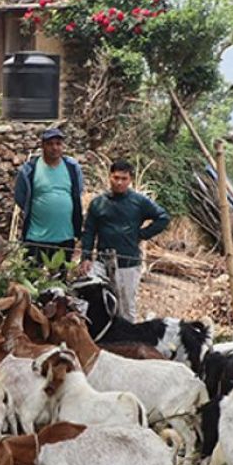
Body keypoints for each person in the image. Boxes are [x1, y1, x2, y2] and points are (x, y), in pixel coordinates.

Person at [80, 159, 171, 322]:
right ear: (110, 177)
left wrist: (141, 234)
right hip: (102, 262)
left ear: (130, 180)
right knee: (94, 302)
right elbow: (89, 231)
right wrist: (86, 257)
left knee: (126, 308)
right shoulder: (98, 203)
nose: (119, 182)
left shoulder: (139, 201)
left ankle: (129, 337)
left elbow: (163, 217)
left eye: (124, 179)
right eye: (116, 178)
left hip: (128, 263)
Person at [13, 126, 85, 266]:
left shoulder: (72, 168)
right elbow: (20, 198)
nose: (54, 148)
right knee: (32, 276)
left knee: (60, 277)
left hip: (65, 237)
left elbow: (77, 192)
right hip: (36, 237)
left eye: (58, 143)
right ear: (43, 145)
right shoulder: (30, 169)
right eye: (50, 144)